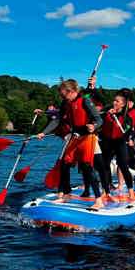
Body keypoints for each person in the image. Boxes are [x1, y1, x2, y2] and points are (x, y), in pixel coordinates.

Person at [38, 78, 104, 210]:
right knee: (64, 164)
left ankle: (99, 200)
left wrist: (93, 125)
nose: (63, 97)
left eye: (64, 95)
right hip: (75, 136)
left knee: (87, 167)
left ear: (72, 91)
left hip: (87, 136)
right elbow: (57, 120)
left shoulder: (84, 100)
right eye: (61, 96)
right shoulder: (65, 103)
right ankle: (66, 195)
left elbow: (98, 118)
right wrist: (44, 132)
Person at [99, 90, 135, 201]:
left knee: (123, 166)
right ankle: (105, 191)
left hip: (120, 142)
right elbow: (99, 121)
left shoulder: (126, 118)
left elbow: (128, 131)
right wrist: (107, 114)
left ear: (123, 104)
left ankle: (131, 191)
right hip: (107, 142)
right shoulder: (107, 113)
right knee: (104, 166)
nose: (114, 102)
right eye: (114, 100)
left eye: (117, 101)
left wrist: (129, 138)